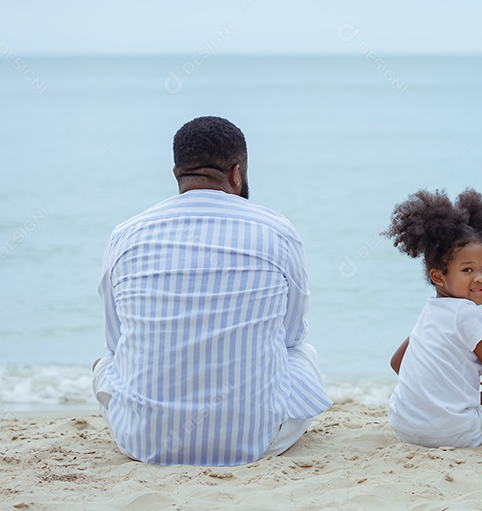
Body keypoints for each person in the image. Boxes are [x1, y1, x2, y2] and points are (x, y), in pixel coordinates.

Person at [94, 116, 332, 465]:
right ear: (236, 174)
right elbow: (291, 335)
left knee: (107, 361)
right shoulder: (278, 231)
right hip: (256, 441)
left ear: (177, 173)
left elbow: (116, 342)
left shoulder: (125, 236)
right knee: (303, 354)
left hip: (143, 441)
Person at [385, 189, 482, 448]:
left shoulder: (431, 310)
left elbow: (397, 363)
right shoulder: (466, 312)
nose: (480, 277)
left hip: (403, 425)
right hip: (454, 434)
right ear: (438, 277)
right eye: (467, 270)